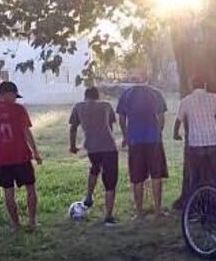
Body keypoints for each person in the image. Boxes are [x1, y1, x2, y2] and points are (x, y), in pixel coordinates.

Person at [0, 81, 42, 230]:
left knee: (8, 192)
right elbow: (26, 132)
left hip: (1, 158)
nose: (16, 99)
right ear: (7, 94)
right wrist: (35, 152)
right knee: (30, 188)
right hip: (21, 155)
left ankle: (15, 224)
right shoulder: (18, 109)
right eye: (14, 96)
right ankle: (32, 221)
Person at [117, 68, 168, 217]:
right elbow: (162, 117)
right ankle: (158, 210)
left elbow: (121, 118)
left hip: (135, 140)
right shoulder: (156, 93)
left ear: (134, 79)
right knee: (156, 175)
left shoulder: (126, 94)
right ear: (147, 79)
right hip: (154, 140)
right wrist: (158, 132)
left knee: (137, 177)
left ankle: (139, 211)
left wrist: (126, 136)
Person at [69, 86, 120, 225]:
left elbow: (73, 128)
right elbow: (110, 127)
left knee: (95, 168)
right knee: (110, 182)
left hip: (91, 147)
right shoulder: (106, 105)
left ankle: (89, 196)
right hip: (108, 147)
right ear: (98, 96)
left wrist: (73, 146)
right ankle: (108, 216)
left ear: (85, 96)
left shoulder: (78, 107)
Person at [174, 75, 216, 201]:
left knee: (195, 177)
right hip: (213, 141)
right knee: (215, 176)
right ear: (205, 84)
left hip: (196, 143)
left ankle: (193, 204)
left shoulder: (186, 101)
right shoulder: (214, 98)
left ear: (191, 85)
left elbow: (178, 120)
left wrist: (176, 134)